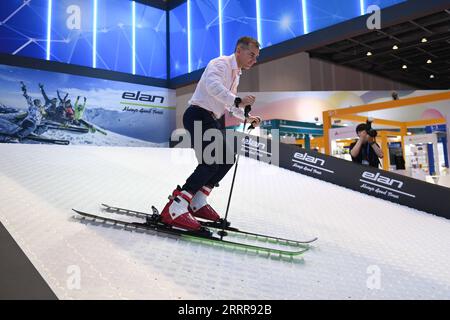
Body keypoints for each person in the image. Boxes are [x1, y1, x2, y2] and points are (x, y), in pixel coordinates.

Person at [160, 36, 262, 231]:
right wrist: (238, 100)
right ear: (238, 50)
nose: (254, 60)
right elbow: (213, 87)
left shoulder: (236, 74)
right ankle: (176, 207)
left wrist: (246, 118)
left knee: (226, 159)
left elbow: (229, 103)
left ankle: (197, 201)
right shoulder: (220, 64)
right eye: (251, 55)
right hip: (198, 114)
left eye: (256, 57)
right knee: (211, 161)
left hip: (210, 118)